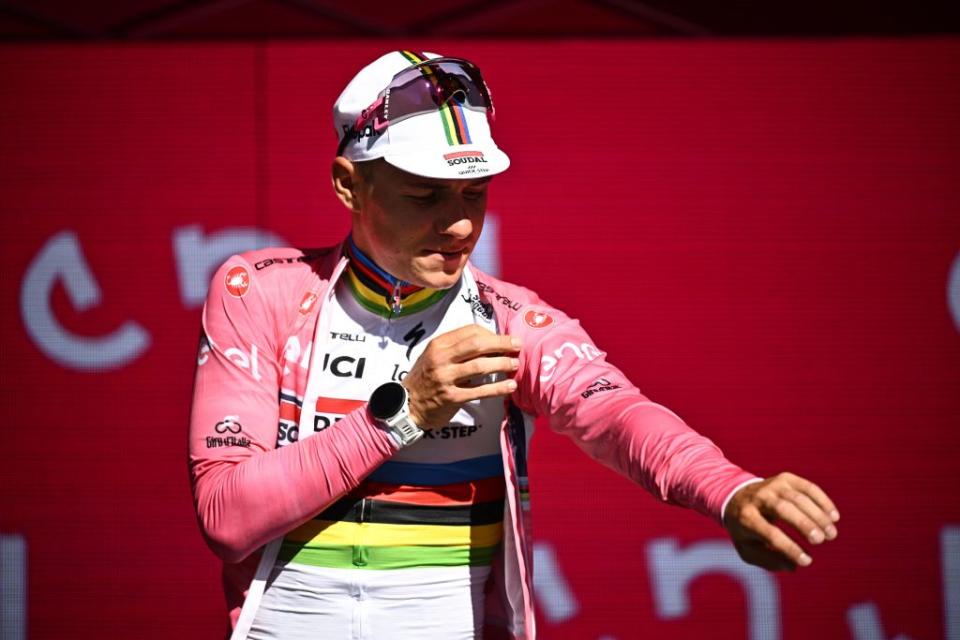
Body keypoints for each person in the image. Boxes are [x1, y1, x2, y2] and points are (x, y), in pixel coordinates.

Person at [188, 50, 840, 640]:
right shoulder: (261, 291)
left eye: (475, 193)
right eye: (426, 196)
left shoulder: (509, 318)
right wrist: (405, 412)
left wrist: (729, 491)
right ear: (347, 184)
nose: (461, 223)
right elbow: (227, 519)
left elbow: (617, 415)